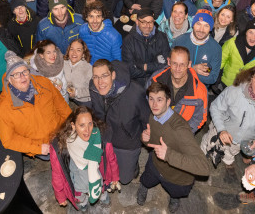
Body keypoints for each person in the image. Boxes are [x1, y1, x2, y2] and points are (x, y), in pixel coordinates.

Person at [138, 82, 211, 213]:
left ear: (168, 101)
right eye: (151, 99)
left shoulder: (180, 129)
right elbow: (153, 144)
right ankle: (144, 187)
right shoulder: (153, 116)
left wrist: (168, 155)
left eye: (159, 99)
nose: (154, 105)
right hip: (155, 165)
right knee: (146, 181)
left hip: (177, 177)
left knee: (175, 192)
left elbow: (204, 168)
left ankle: (174, 198)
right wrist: (145, 140)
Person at [208, 66, 255, 179]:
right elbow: (215, 108)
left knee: (231, 152)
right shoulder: (234, 91)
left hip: (242, 141)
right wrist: (221, 129)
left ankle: (228, 160)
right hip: (220, 131)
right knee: (207, 148)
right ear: (251, 78)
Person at [0, 50, 71, 157]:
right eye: (16, 74)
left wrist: (69, 126)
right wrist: (37, 148)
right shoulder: (2, 110)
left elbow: (61, 105)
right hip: (40, 146)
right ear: (10, 80)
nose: (23, 76)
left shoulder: (44, 83)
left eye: (25, 71)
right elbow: (9, 140)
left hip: (60, 134)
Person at [89, 60, 149, 185]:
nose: (100, 82)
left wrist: (146, 137)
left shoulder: (135, 93)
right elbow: (98, 113)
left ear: (113, 75)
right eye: (96, 77)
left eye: (104, 76)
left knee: (125, 179)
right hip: (106, 136)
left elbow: (146, 119)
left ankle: (133, 163)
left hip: (127, 142)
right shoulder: (93, 88)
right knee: (101, 170)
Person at [50, 107, 119, 210]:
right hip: (78, 179)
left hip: (97, 177)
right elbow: (57, 174)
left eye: (90, 124)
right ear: (73, 126)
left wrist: (115, 177)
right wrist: (60, 196)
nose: (87, 130)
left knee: (100, 189)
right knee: (80, 195)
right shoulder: (64, 144)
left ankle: (103, 197)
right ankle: (83, 202)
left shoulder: (99, 139)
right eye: (82, 125)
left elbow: (111, 159)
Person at [150, 46, 208, 133]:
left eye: (182, 64)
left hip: (180, 134)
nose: (178, 68)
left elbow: (199, 118)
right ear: (169, 62)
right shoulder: (155, 80)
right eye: (174, 63)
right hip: (157, 128)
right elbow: (146, 104)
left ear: (189, 64)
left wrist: (182, 134)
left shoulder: (200, 91)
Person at [171, 10, 221, 86]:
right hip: (176, 84)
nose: (201, 29)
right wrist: (192, 68)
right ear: (193, 25)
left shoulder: (216, 48)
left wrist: (184, 70)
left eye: (206, 26)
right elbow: (170, 66)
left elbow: (212, 77)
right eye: (198, 24)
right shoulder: (180, 41)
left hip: (199, 88)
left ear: (210, 29)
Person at [220, 17, 255, 88]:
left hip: (247, 88)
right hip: (226, 83)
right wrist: (216, 81)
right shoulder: (232, 43)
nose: (253, 37)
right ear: (246, 32)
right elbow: (220, 61)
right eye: (250, 32)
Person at [122, 8, 170, 84]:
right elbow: (130, 70)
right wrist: (153, 69)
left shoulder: (162, 37)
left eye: (150, 22)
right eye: (143, 22)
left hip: (158, 80)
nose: (147, 25)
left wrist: (145, 67)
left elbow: (166, 65)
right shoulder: (128, 40)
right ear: (137, 22)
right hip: (136, 82)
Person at [63, 39, 93, 105]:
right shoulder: (63, 63)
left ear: (83, 54)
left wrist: (76, 93)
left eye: (78, 50)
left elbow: (92, 89)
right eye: (72, 49)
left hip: (84, 101)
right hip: (67, 98)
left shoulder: (88, 68)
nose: (74, 53)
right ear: (68, 51)